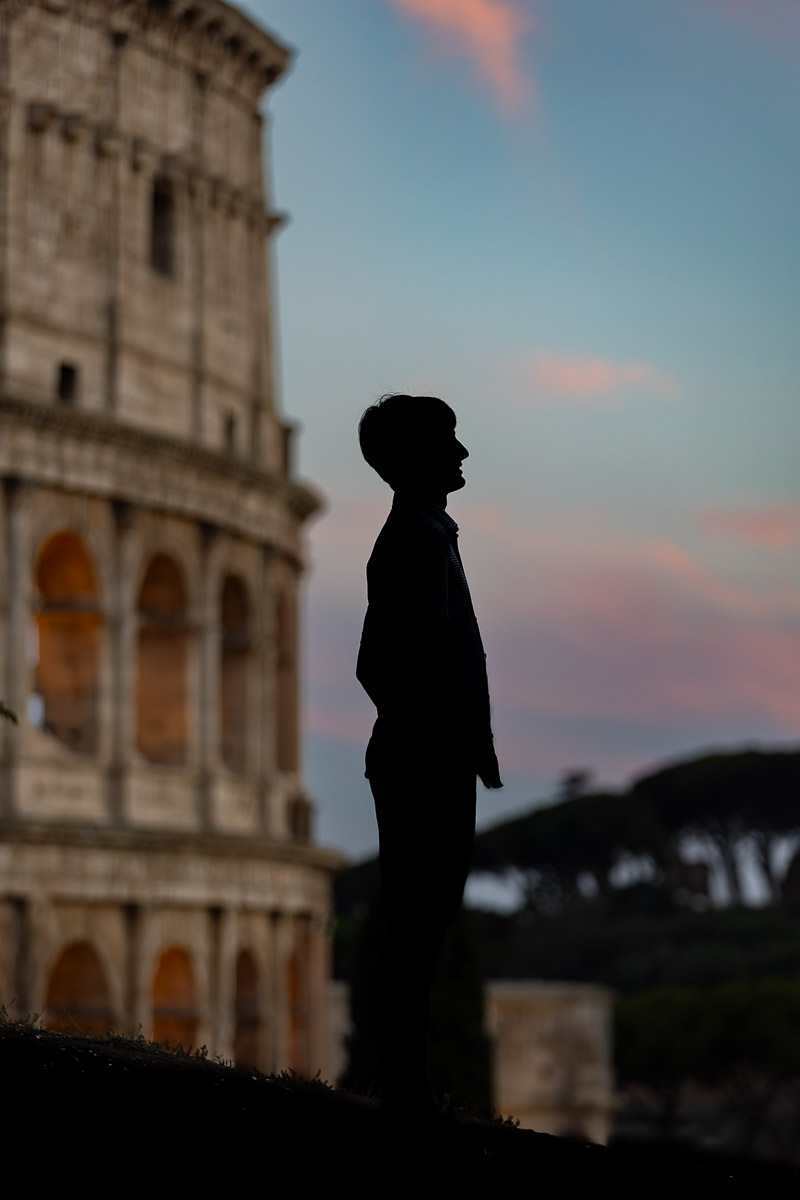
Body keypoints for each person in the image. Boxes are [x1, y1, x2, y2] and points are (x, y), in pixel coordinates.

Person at [356, 393, 502, 1118]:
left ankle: (406, 1085)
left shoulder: (424, 534)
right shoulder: (413, 539)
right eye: (448, 439)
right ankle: (406, 1091)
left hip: (428, 753)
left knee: (421, 924)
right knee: (416, 925)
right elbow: (382, 660)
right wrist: (436, 731)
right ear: (415, 457)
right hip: (425, 759)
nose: (462, 452)